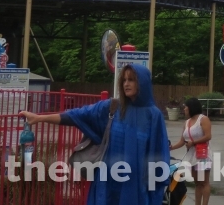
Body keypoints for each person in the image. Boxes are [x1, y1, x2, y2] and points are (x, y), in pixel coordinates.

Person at [21, 63, 170, 205]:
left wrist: (154, 190)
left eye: (131, 79)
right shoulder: (113, 107)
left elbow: (159, 154)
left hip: (135, 187)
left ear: (142, 82)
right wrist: (40, 118)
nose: (126, 84)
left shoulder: (154, 115)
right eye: (124, 80)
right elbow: (76, 115)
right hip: (107, 182)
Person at [168, 98, 212, 205]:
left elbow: (208, 136)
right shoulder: (187, 122)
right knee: (197, 183)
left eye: (185, 107)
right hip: (192, 156)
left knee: (204, 182)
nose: (184, 109)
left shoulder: (203, 119)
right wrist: (170, 147)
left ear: (191, 107)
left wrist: (193, 142)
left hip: (202, 155)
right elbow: (182, 141)